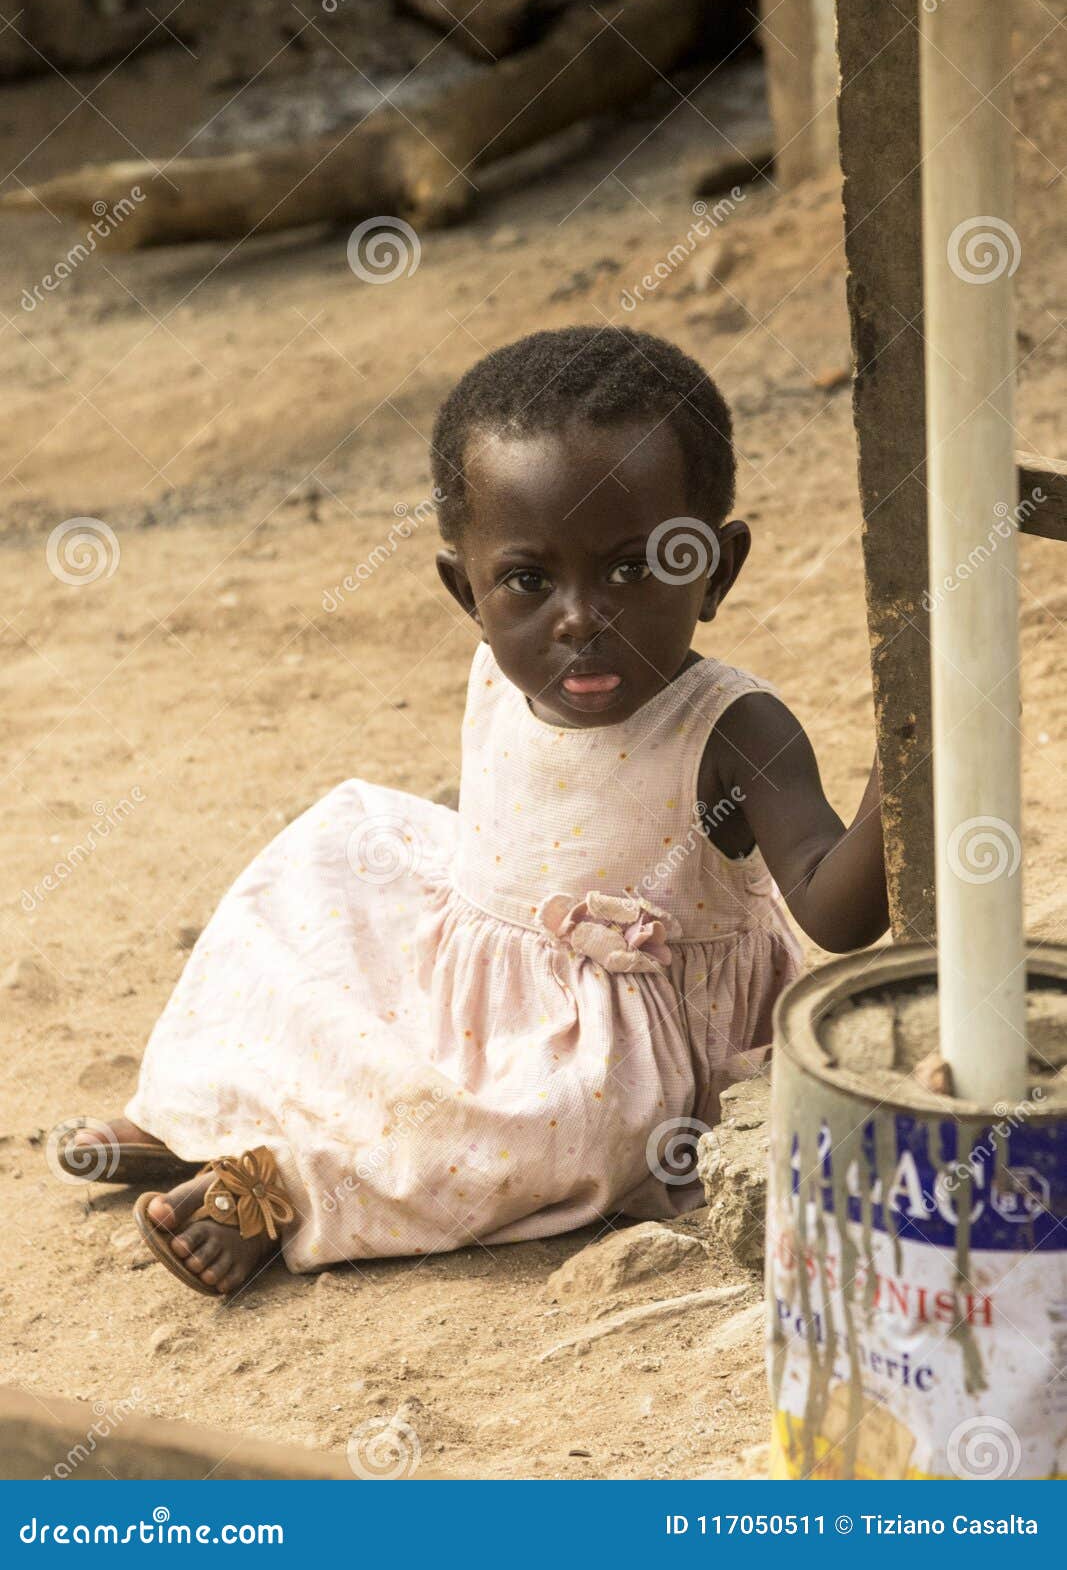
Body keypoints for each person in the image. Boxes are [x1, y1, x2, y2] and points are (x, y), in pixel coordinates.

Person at [61, 325, 888, 1300]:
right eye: (529, 581)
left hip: (616, 1050)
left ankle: (287, 1187)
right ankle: (195, 1114)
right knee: (309, 887)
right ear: (467, 591)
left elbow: (838, 916)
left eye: (631, 568)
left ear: (715, 567)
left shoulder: (733, 731)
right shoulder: (502, 677)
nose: (579, 616)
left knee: (527, 1122)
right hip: (485, 957)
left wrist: (907, 759)